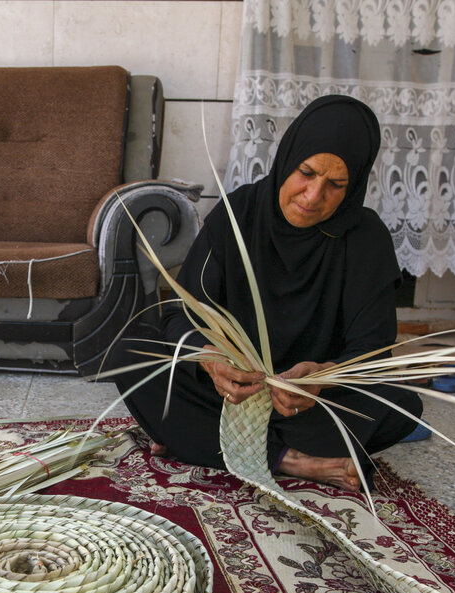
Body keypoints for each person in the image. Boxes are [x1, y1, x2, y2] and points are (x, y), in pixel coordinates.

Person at [110, 94, 422, 491]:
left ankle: (196, 437)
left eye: (335, 185)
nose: (312, 196)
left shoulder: (366, 240)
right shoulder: (239, 214)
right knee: (131, 356)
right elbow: (179, 313)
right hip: (229, 394)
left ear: (355, 184)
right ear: (289, 158)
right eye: (306, 172)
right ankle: (290, 460)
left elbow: (373, 351)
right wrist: (209, 360)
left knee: (401, 407)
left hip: (303, 406)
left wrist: (322, 377)